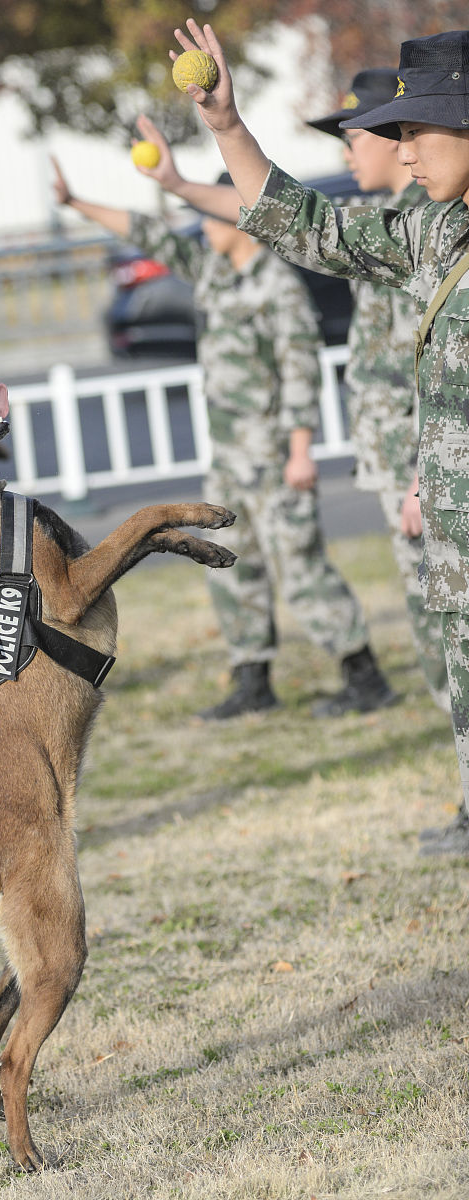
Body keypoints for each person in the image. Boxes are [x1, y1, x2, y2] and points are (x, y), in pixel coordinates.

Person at [170, 19, 469, 849]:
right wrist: (228, 127)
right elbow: (315, 229)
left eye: (417, 129)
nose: (404, 152)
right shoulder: (440, 232)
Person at [52, 149, 396, 719]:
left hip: (275, 456)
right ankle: (252, 679)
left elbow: (301, 371)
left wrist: (301, 452)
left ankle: (364, 675)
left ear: (237, 219)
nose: (202, 228)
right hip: (230, 458)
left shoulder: (278, 286)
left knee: (301, 567)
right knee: (233, 567)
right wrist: (75, 202)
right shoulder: (213, 271)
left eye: (210, 217)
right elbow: (148, 234)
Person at [307, 70, 450, 715]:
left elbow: (439, 366)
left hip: (427, 462)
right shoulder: (403, 223)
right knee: (430, 619)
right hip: (405, 460)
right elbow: (297, 223)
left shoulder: (430, 225)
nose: (346, 153)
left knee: (443, 620)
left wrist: (423, 468)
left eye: (355, 136)